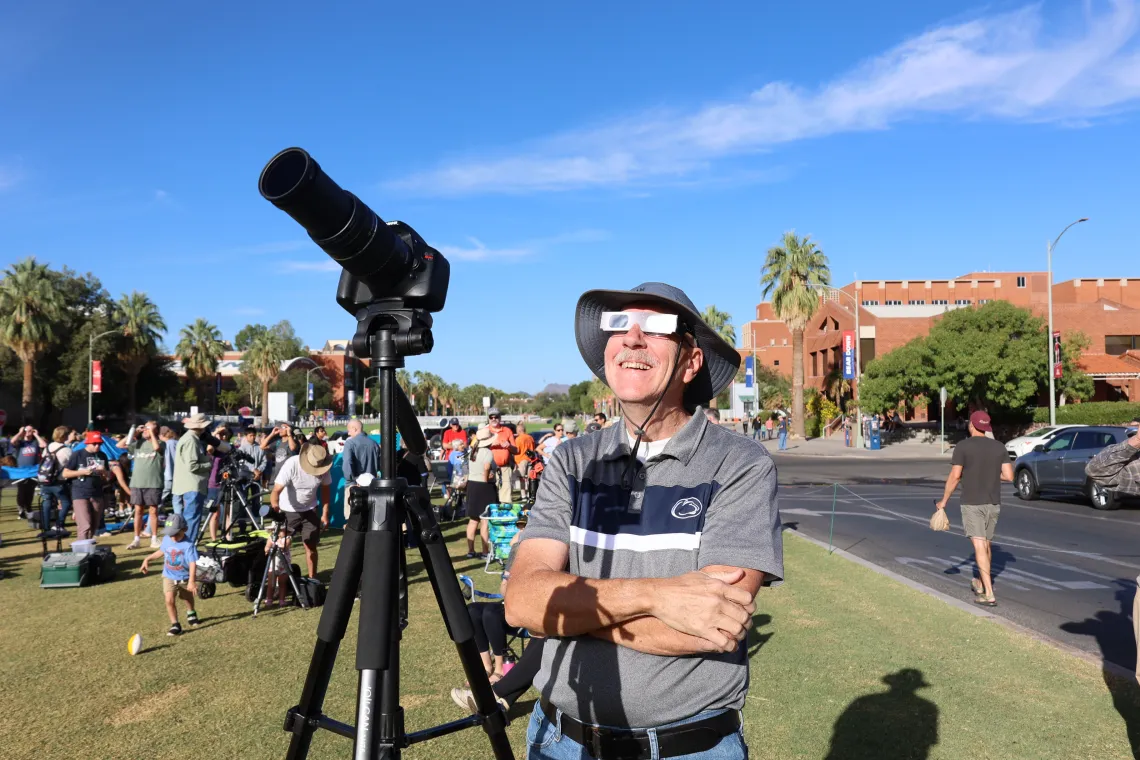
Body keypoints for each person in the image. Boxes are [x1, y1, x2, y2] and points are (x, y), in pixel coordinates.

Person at [506, 281, 782, 760]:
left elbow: (708, 625)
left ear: (691, 361)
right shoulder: (570, 460)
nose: (633, 338)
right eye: (618, 325)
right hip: (558, 741)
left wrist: (566, 618)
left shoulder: (740, 464)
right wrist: (658, 597)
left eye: (656, 327)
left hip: (687, 748)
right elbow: (523, 603)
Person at [451, 531, 545, 714]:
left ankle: (499, 674)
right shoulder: (519, 549)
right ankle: (487, 670)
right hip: (514, 601)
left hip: (532, 609)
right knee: (473, 610)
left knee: (490, 614)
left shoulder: (547, 551)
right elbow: (504, 587)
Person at [935, 410, 1013, 607]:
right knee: (986, 544)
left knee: (979, 545)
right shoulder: (999, 447)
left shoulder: (963, 447)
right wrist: (991, 475)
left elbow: (954, 476)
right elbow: (1009, 476)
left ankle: (988, 593)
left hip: (972, 502)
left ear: (971, 425)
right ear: (986, 427)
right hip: (993, 502)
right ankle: (980, 581)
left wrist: (943, 501)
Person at [270, 443, 332, 578]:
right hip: (288, 511)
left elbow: (326, 490)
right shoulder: (291, 464)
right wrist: (276, 508)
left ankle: (312, 579)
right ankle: (276, 583)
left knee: (311, 547)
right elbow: (276, 490)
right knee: (281, 547)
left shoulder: (323, 466)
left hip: (310, 510)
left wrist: (325, 514)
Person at [140, 513, 201, 636]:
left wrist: (191, 581)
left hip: (185, 577)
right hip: (168, 576)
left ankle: (191, 612)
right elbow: (161, 551)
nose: (173, 537)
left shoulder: (188, 545)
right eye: (170, 534)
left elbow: (192, 563)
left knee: (188, 598)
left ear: (184, 530)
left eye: (176, 534)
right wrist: (148, 559)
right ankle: (175, 625)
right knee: (169, 600)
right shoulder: (167, 539)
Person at [62, 431, 121, 541]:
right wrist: (82, 472)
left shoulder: (102, 455)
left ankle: (88, 549)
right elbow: (65, 473)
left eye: (99, 444)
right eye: (94, 444)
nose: (97, 446)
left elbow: (107, 478)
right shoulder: (77, 454)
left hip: (97, 493)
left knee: (94, 525)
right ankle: (82, 550)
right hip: (80, 492)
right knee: (85, 525)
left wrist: (104, 471)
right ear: (87, 443)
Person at [118, 421, 166, 550]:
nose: (145, 430)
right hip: (137, 482)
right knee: (138, 511)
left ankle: (154, 538)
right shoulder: (138, 444)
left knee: (153, 511)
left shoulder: (161, 443)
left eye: (149, 428)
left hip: (153, 483)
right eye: (145, 428)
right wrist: (134, 432)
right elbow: (120, 445)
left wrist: (150, 431)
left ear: (156, 431)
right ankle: (136, 539)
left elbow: (156, 448)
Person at [172, 414, 216, 544]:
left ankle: (186, 548)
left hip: (186, 484)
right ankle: (188, 548)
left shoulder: (188, 438)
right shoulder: (191, 440)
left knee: (189, 519)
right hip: (192, 485)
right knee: (192, 519)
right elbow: (192, 465)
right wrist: (209, 464)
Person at [464, 426, 495, 558]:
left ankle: (470, 550)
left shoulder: (473, 451)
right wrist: (486, 477)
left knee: (473, 520)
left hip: (472, 485)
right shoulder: (487, 452)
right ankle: (484, 552)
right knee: (484, 520)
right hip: (484, 487)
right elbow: (487, 467)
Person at [38, 426, 74, 534]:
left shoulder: (48, 447)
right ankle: (59, 524)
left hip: (45, 479)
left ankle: (46, 526)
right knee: (66, 502)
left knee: (46, 502)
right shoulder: (66, 450)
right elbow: (71, 464)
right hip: (58, 481)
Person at [204, 426, 233, 542]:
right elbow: (209, 449)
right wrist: (215, 433)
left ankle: (228, 536)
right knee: (215, 513)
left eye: (225, 434)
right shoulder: (215, 448)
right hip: (214, 484)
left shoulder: (230, 448)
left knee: (227, 513)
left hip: (227, 483)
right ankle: (214, 538)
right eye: (221, 434)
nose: (223, 436)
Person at [12, 425, 47, 519]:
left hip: (33, 471)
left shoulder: (35, 442)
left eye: (30, 431)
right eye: (26, 430)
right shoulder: (21, 442)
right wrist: (20, 432)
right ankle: (21, 509)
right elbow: (12, 441)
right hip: (21, 471)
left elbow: (43, 445)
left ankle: (28, 508)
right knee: (21, 490)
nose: (28, 432)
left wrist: (36, 435)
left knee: (30, 491)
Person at [486, 409, 516, 505]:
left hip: (505, 467)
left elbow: (516, 450)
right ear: (488, 418)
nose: (494, 419)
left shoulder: (507, 431)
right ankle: (492, 515)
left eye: (496, 417)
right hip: (489, 468)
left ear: (500, 418)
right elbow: (475, 448)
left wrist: (509, 446)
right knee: (490, 493)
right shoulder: (485, 431)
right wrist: (490, 444)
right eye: (491, 417)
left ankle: (505, 515)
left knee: (506, 494)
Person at [263, 520, 293, 609]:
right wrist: (267, 549)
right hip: (273, 564)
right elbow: (267, 546)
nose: (279, 533)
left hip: (284, 565)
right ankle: (269, 599)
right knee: (270, 584)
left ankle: (282, 600)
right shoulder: (271, 538)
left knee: (282, 583)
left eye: (281, 530)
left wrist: (278, 546)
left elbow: (285, 546)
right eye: (277, 530)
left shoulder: (287, 538)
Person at [341, 419, 380, 486]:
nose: (348, 433)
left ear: (354, 429)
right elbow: (380, 465)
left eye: (349, 431)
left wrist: (350, 479)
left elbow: (347, 462)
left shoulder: (350, 443)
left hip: (355, 484)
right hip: (372, 484)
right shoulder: (374, 443)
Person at [513, 424, 536, 497]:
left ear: (519, 430)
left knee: (522, 478)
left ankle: (523, 495)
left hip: (522, 460)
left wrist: (515, 462)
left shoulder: (518, 439)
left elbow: (517, 450)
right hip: (531, 460)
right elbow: (533, 448)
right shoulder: (530, 437)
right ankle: (530, 493)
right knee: (530, 478)